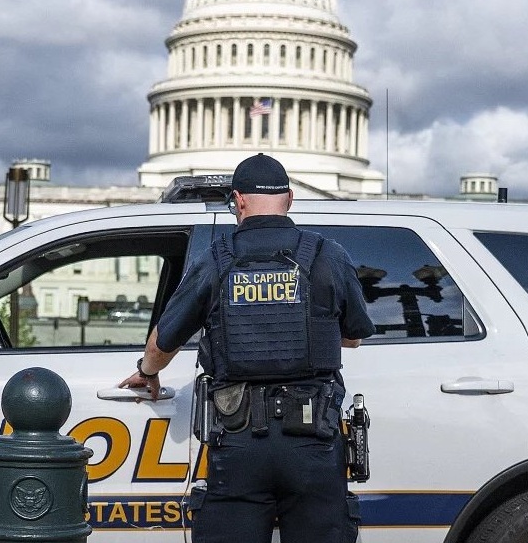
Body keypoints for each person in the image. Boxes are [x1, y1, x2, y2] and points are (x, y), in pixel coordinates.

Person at [119, 153, 374, 543]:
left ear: (238, 200)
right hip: (313, 437)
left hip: (238, 437)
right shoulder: (328, 255)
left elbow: (163, 340)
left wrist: (147, 371)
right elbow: (353, 335)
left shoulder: (217, 259)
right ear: (289, 198)